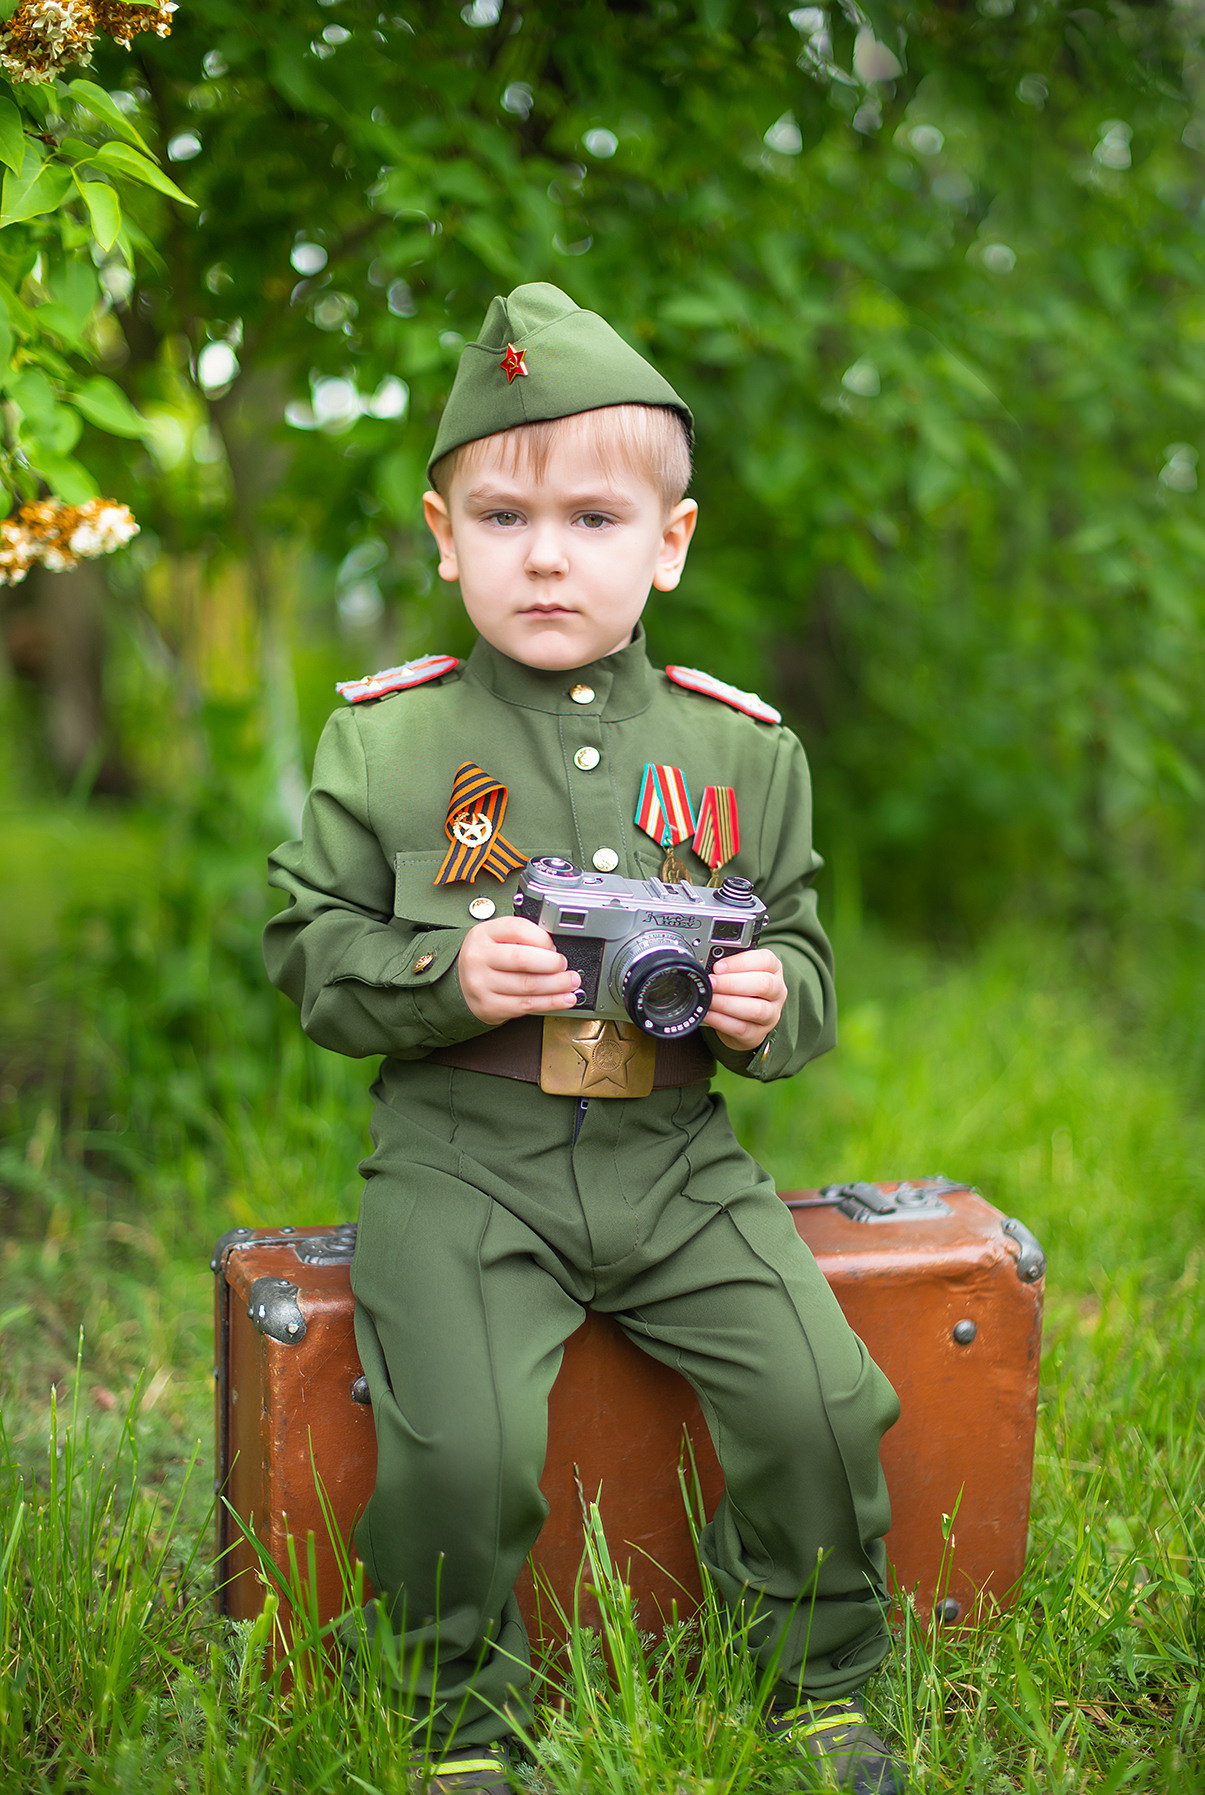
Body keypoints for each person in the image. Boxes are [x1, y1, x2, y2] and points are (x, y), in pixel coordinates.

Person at [264, 282, 905, 1795]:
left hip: (678, 1158)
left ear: (667, 544)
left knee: (821, 1396)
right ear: (441, 534)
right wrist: (448, 970)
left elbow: (802, 948)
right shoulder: (392, 740)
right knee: (462, 1455)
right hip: (459, 1161)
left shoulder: (741, 750)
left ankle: (819, 1684)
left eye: (593, 519)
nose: (544, 553)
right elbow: (308, 953)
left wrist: (769, 1008)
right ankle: (456, 1725)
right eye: (500, 516)